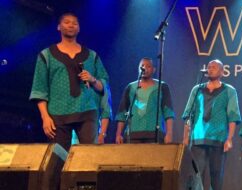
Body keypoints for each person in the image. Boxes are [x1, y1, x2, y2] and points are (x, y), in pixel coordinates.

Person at [30, 12, 109, 151]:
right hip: (57, 114)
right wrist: (45, 117)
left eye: (75, 23)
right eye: (67, 22)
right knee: (58, 159)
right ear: (58, 27)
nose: (71, 25)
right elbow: (40, 89)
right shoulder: (46, 55)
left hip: (87, 110)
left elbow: (104, 86)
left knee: (89, 156)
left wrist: (92, 79)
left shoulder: (91, 55)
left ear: (79, 28)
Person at [182, 59, 241, 190]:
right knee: (196, 175)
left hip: (219, 138)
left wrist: (230, 138)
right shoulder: (197, 90)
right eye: (208, 67)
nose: (210, 69)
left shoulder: (229, 91)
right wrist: (186, 137)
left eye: (214, 67)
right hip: (198, 138)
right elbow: (188, 114)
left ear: (222, 72)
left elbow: (233, 116)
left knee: (216, 177)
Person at [115, 57, 175, 144]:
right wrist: (118, 134)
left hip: (154, 135)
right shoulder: (131, 87)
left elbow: (168, 112)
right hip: (133, 135)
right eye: (142, 66)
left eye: (148, 66)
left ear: (154, 69)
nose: (144, 68)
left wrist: (169, 134)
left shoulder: (162, 87)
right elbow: (122, 113)